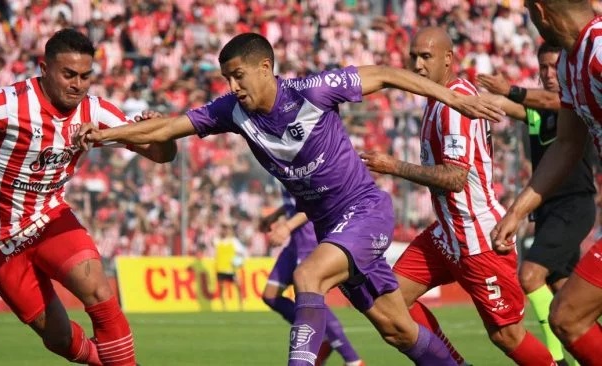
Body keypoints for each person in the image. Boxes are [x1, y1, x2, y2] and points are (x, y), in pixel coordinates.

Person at [74, 32, 504, 366]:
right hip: (330, 227)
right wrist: (108, 135)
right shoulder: (232, 112)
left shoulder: (312, 91)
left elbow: (385, 73)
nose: (232, 85)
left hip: (364, 211)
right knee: (396, 329)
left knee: (307, 278)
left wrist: (451, 98)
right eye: (227, 77)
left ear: (265, 68)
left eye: (238, 75)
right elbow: (166, 129)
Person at [0, 28, 177, 366]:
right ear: (44, 69)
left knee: (99, 292)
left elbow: (160, 154)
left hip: (48, 218)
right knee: (59, 339)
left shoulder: (95, 113)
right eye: (68, 75)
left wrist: (162, 133)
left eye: (85, 76)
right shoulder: (8, 103)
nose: (77, 84)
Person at [360, 27, 555, 365]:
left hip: (478, 236)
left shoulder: (454, 104)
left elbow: (454, 177)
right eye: (413, 57)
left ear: (448, 59)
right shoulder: (437, 100)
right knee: (389, 300)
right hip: (447, 233)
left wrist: (393, 166)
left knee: (505, 335)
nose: (417, 65)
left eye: (426, 56)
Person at [490, 1, 602, 364]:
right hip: (557, 206)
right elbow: (568, 144)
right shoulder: (572, 63)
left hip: (576, 203)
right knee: (568, 317)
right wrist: (517, 210)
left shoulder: (600, 48)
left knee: (568, 316)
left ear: (540, 11)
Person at [260, 188, 364, 366]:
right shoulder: (282, 168)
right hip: (294, 244)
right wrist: (277, 215)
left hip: (309, 240)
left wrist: (286, 226)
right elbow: (295, 202)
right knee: (270, 295)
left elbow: (315, 204)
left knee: (311, 299)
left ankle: (353, 360)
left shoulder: (300, 166)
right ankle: (320, 337)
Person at [213, 221, 247, 311]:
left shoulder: (233, 241)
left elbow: (241, 252)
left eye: (227, 228)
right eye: (224, 228)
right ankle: (224, 307)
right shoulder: (217, 241)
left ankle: (241, 306)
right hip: (220, 268)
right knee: (221, 288)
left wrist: (238, 262)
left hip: (231, 269)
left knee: (238, 286)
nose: (225, 231)